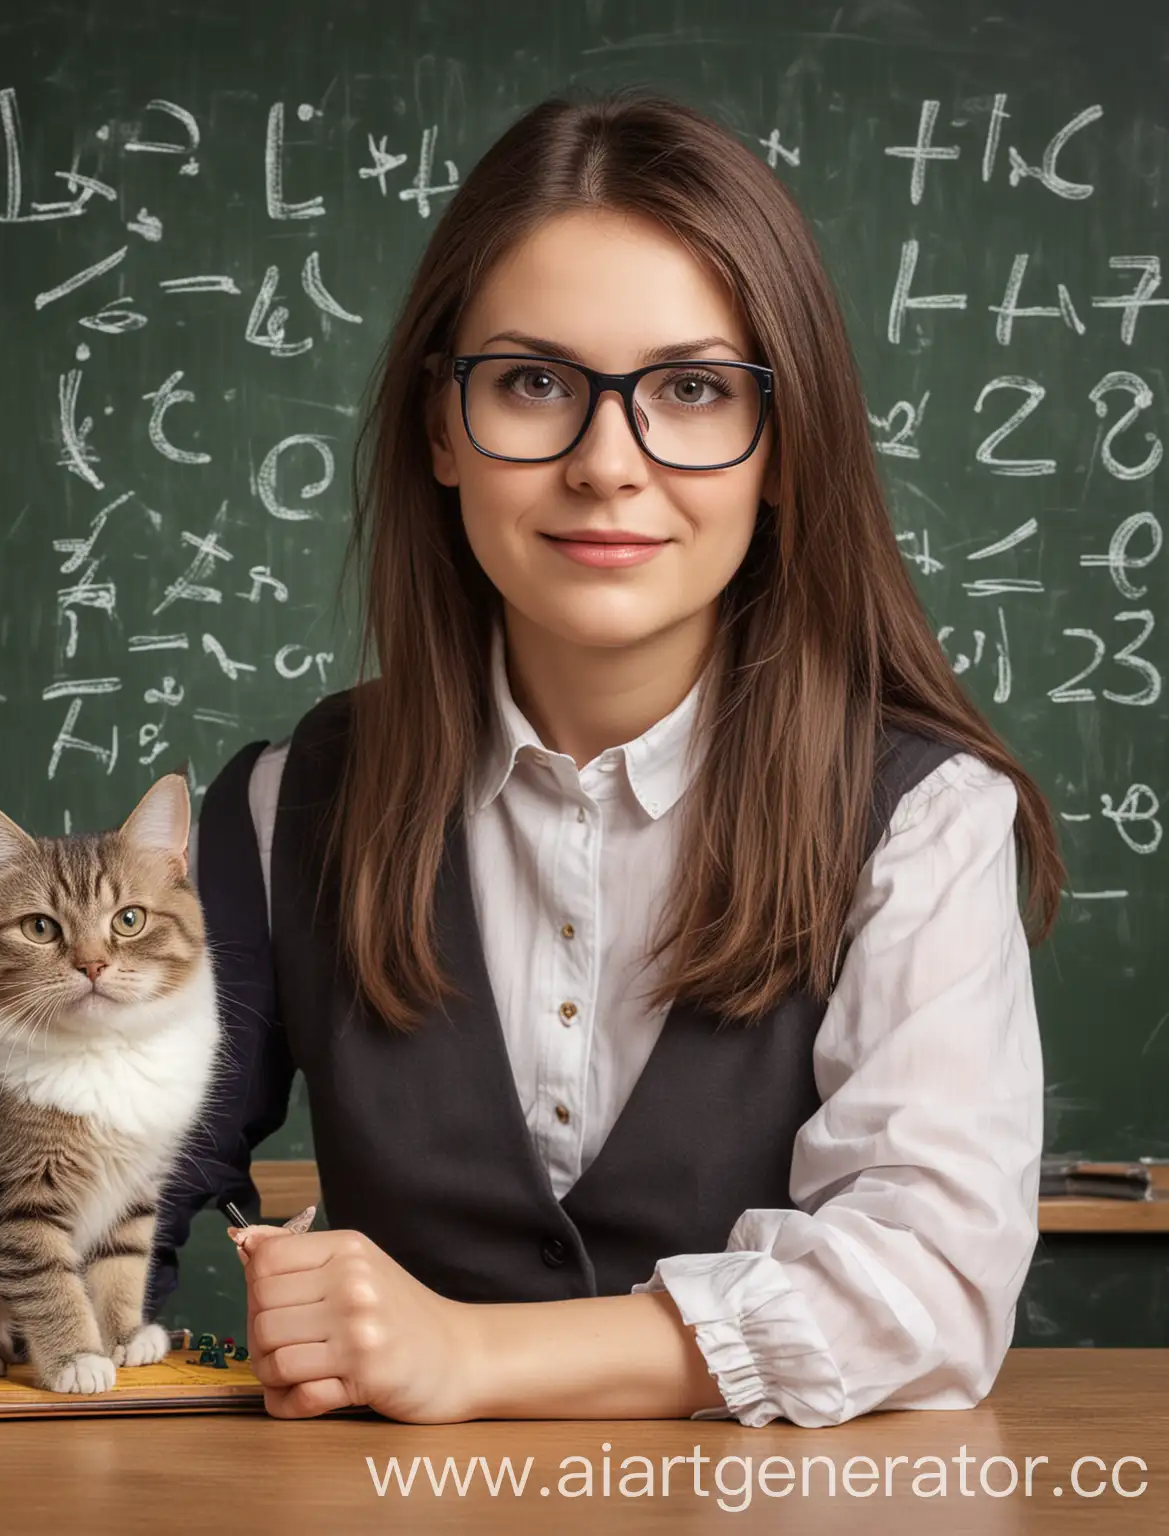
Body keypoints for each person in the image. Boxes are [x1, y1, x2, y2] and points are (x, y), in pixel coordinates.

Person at [146, 88, 1060, 1428]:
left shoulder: (921, 823)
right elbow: (116, 1178)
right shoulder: (290, 807)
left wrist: (468, 1358)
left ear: (785, 447)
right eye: (533, 384)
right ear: (442, 430)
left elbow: (931, 1287)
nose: (606, 463)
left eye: (691, 390)